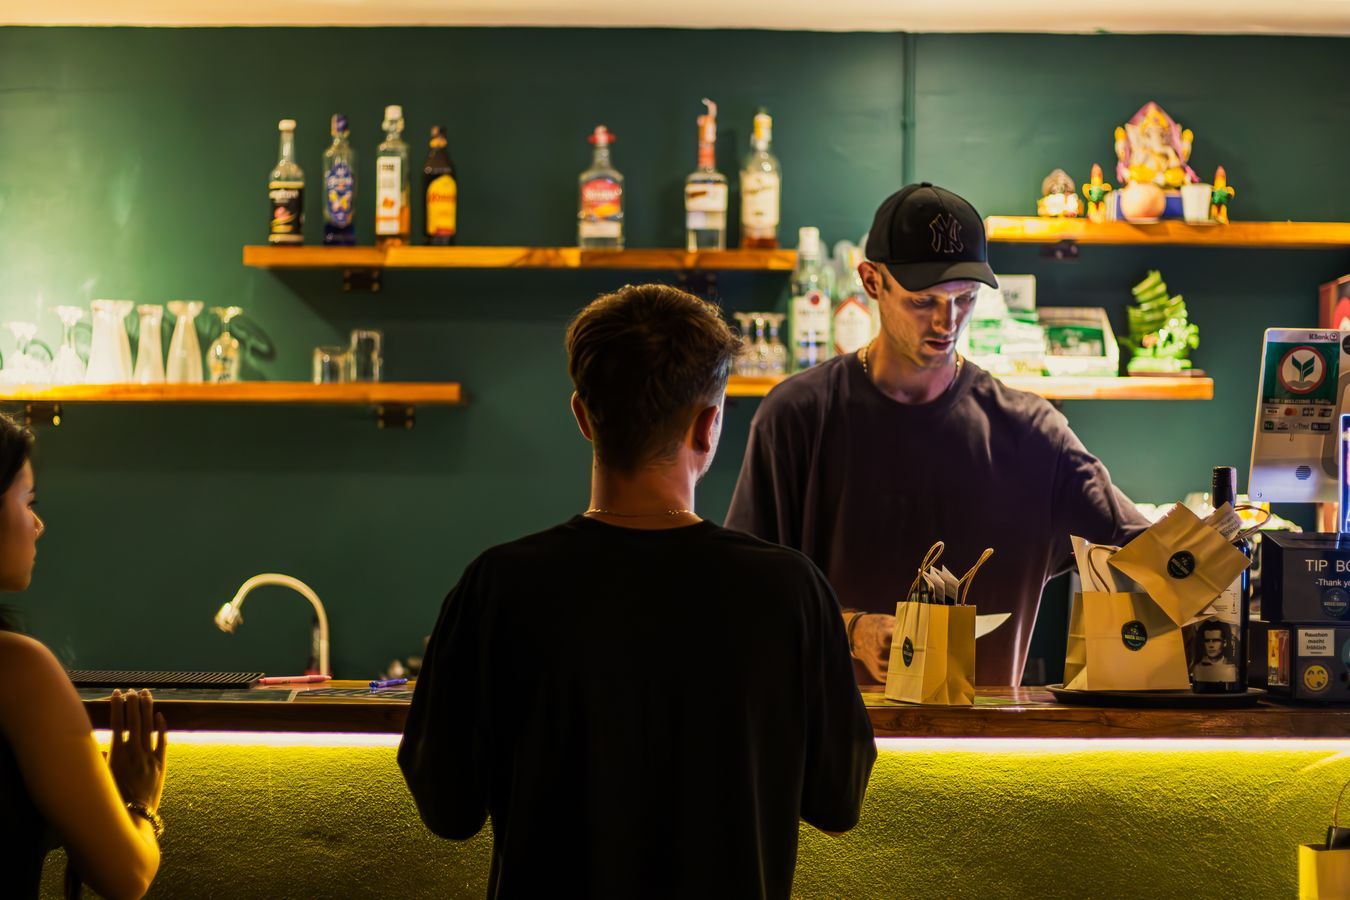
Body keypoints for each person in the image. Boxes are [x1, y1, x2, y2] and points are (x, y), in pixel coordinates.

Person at [400, 284, 875, 898]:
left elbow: (447, 809)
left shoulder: (499, 586)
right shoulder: (790, 592)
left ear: (582, 416)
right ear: (709, 426)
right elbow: (837, 802)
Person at [725, 183, 1150, 686]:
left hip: (986, 752)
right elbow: (742, 597)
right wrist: (851, 630)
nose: (947, 321)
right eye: (924, 301)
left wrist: (1223, 550)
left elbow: (1146, 556)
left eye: (964, 299)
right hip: (832, 745)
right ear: (871, 281)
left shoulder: (1034, 434)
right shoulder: (797, 417)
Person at [0, 414, 169, 899]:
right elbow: (126, 877)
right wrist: (138, 802)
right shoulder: (18, 669)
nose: (38, 524)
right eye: (27, 502)